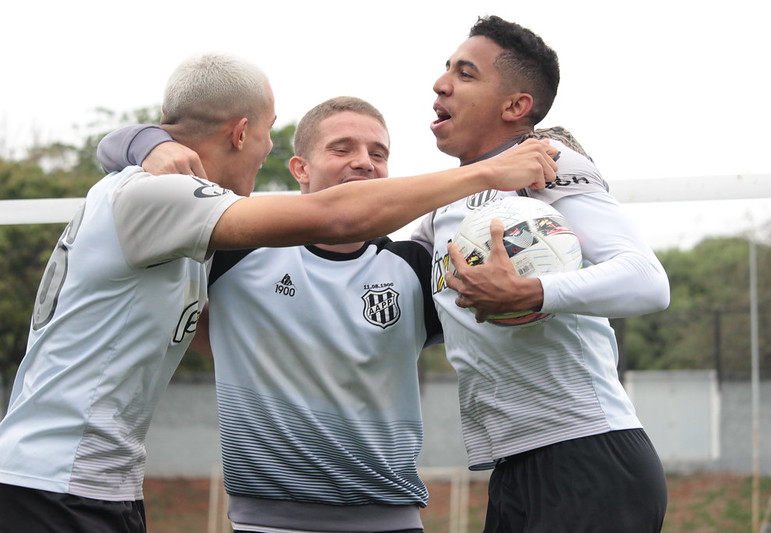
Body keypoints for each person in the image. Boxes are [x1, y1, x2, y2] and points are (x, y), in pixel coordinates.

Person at [0, 51, 560, 533]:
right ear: (244, 134)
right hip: (52, 482)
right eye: (268, 134)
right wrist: (489, 172)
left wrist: (140, 140)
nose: (264, 149)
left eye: (378, 153)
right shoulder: (165, 202)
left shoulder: (178, 217)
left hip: (102, 483)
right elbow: (333, 219)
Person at [96, 96, 443, 533]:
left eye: (379, 153)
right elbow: (113, 148)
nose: (364, 163)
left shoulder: (416, 266)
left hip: (392, 519)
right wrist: (152, 145)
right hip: (266, 522)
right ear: (300, 169)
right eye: (342, 149)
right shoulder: (233, 249)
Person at [411, 16, 672, 532]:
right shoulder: (443, 206)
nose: (441, 84)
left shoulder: (546, 163)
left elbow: (647, 279)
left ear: (515, 106)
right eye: (445, 70)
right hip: (512, 465)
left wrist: (530, 291)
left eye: (465, 74)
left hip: (588, 457)